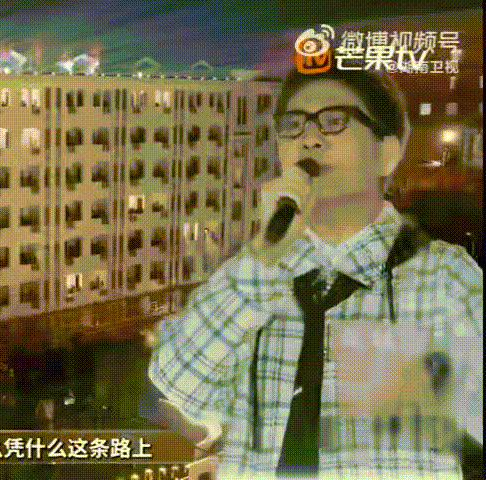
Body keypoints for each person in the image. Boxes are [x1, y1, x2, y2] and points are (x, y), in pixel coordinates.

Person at [148, 67, 482, 479]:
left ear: (387, 154)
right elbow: (178, 383)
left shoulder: (440, 278)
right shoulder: (252, 279)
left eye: (334, 120)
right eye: (293, 124)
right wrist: (264, 257)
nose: (309, 138)